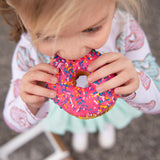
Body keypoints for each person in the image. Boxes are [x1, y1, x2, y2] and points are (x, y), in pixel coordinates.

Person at [1, 0, 160, 153]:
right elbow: (13, 121)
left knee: (105, 114)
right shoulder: (27, 53)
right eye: (48, 36)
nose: (72, 53)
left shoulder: (125, 30)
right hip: (65, 107)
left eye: (91, 29)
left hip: (113, 102)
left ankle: (105, 126)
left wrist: (136, 82)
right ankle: (81, 129)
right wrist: (28, 103)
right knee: (78, 120)